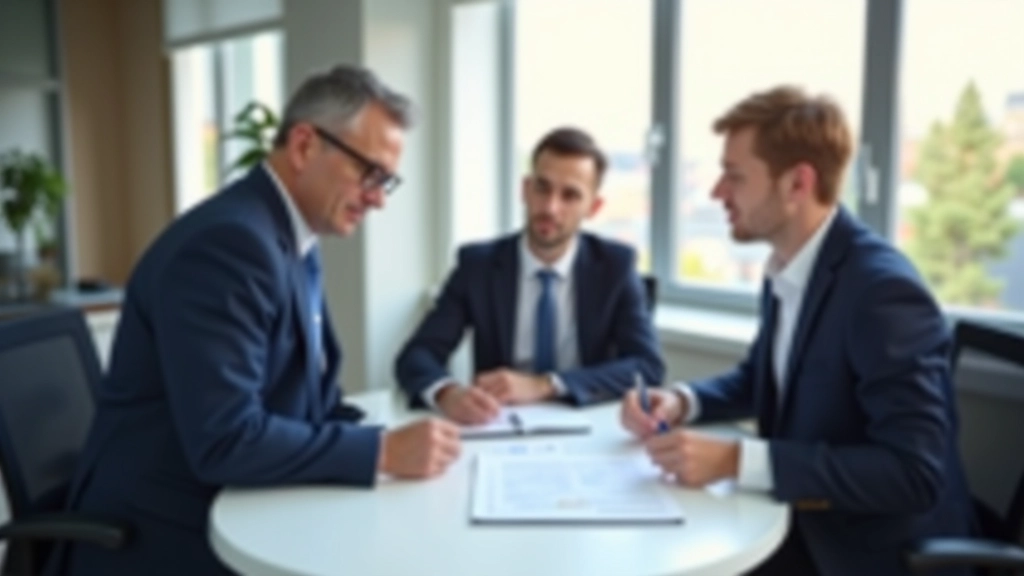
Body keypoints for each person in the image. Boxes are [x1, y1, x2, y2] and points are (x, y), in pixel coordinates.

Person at [60, 65, 461, 576]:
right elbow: (226, 438)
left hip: (231, 500)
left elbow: (304, 401)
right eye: (371, 173)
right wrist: (381, 452)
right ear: (303, 146)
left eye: (388, 182)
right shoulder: (229, 245)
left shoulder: (291, 236)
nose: (379, 198)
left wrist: (394, 439)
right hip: (159, 529)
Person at [620, 86, 972, 576]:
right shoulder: (790, 265)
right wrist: (681, 401)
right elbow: (762, 379)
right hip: (798, 521)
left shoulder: (882, 293)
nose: (718, 192)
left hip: (866, 553)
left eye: (734, 176)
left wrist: (735, 461)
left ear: (796, 184)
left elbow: (913, 473)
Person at [395, 127, 664, 424]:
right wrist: (447, 392)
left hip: (585, 424)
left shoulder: (616, 265)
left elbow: (647, 367)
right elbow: (418, 354)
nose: (550, 207)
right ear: (525, 189)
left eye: (570, 195)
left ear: (594, 207)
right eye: (542, 188)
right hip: (498, 424)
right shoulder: (478, 265)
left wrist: (544, 385)